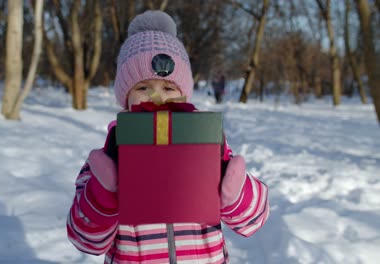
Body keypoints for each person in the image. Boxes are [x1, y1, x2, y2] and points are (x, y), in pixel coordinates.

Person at [67, 10, 269, 264]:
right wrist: (103, 194)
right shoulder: (109, 155)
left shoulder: (205, 143)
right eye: (143, 88)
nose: (157, 98)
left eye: (168, 88)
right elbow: (83, 238)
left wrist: (235, 194)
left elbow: (254, 220)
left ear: (184, 94)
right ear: (125, 97)